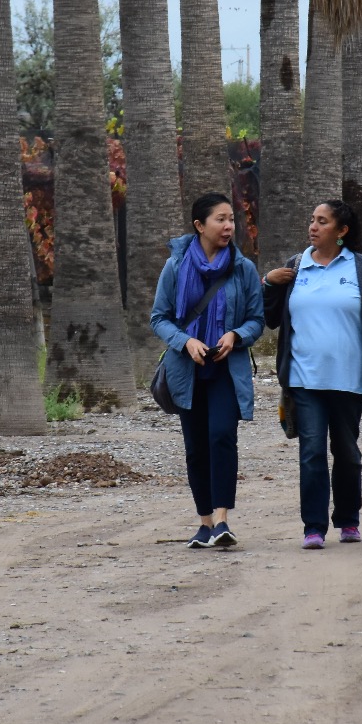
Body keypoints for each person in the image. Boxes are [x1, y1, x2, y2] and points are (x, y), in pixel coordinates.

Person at [263, 200, 362, 549]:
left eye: (322, 222)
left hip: (350, 379)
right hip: (303, 378)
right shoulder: (295, 268)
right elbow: (270, 318)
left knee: (346, 451)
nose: (313, 226)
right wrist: (269, 283)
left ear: (341, 232)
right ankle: (313, 527)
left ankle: (349, 520)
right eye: (312, 220)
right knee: (311, 450)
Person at [151, 193, 266, 548]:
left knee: (221, 436)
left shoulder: (243, 268)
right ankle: (203, 523)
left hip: (226, 371)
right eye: (220, 219)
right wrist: (185, 341)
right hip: (187, 371)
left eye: (231, 219)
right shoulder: (175, 266)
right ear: (200, 226)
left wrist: (236, 334)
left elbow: (256, 320)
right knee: (196, 447)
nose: (229, 226)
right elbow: (160, 318)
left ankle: (221, 520)